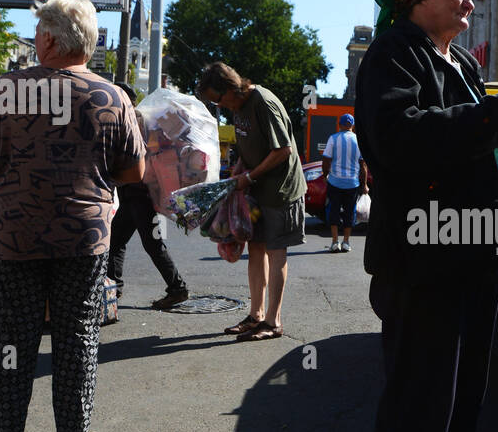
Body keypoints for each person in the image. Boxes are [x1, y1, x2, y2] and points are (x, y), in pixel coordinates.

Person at [355, 0, 498, 432]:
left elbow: (473, 144)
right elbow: (401, 138)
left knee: (463, 402)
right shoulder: (394, 53)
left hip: (473, 254)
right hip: (425, 260)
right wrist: (496, 116)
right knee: (420, 405)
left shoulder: (461, 62)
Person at [0, 0, 145, 432]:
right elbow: (135, 170)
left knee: (13, 338)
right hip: (84, 237)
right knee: (77, 335)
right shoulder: (111, 97)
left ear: (46, 38)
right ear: (91, 40)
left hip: (15, 236)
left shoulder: (7, 89)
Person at [196, 62, 305, 341]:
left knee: (275, 252)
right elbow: (249, 149)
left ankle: (273, 321)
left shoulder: (263, 103)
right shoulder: (238, 107)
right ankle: (255, 315)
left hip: (281, 191)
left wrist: (250, 177)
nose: (220, 107)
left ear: (231, 88)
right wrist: (238, 171)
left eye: (218, 100)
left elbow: (282, 150)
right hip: (256, 190)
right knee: (255, 250)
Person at [106, 82, 190, 309]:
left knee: (152, 244)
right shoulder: (140, 119)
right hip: (137, 192)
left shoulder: (133, 120)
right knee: (117, 240)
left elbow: (134, 154)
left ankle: (177, 288)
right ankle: (113, 288)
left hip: (139, 192)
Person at [321, 112, 367, 253]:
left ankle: (335, 242)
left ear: (339, 124)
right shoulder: (359, 140)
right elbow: (363, 165)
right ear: (352, 125)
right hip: (352, 183)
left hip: (335, 182)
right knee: (349, 213)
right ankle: (346, 242)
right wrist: (364, 184)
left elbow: (326, 160)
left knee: (333, 211)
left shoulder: (333, 139)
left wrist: (325, 174)